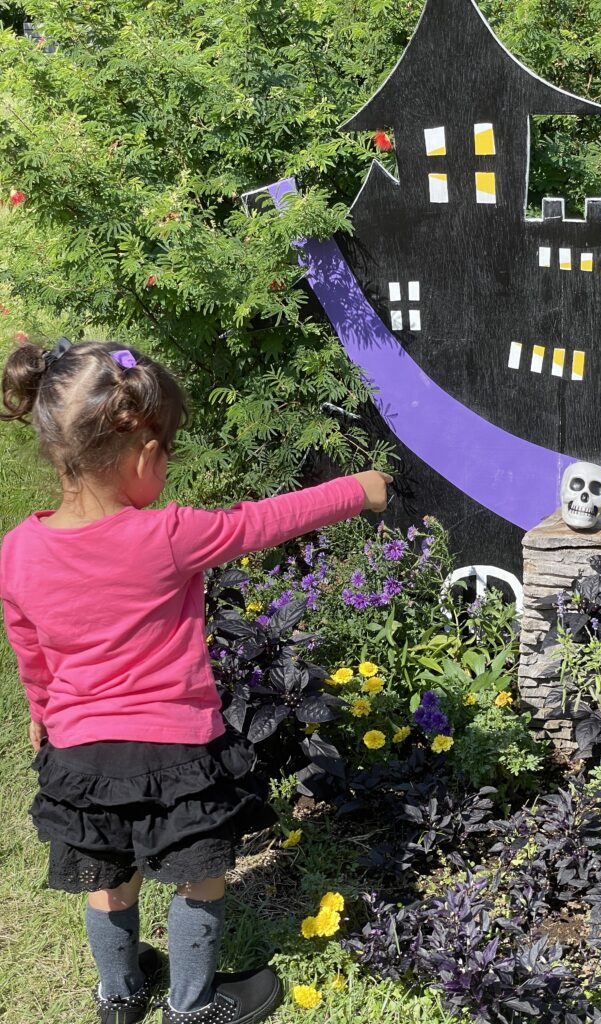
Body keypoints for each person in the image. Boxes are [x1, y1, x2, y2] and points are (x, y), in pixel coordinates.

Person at [0, 337, 392, 1024]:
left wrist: (42, 709)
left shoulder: (19, 549)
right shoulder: (169, 534)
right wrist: (358, 489)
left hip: (80, 756)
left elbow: (29, 645)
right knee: (197, 878)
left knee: (108, 880)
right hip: (172, 754)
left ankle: (119, 996)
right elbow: (264, 522)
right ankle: (193, 1006)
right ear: (145, 453)